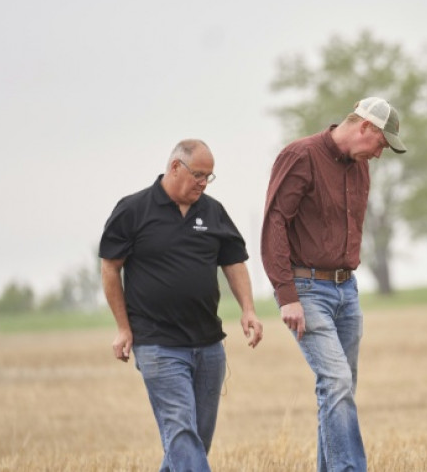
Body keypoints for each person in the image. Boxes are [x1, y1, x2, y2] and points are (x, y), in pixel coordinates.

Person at [99, 139, 264, 472]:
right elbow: (110, 267)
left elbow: (233, 262)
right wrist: (122, 327)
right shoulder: (133, 210)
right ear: (175, 167)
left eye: (209, 177)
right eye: (199, 175)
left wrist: (248, 309)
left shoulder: (213, 211)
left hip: (208, 344)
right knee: (181, 431)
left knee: (195, 440)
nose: (203, 183)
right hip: (158, 344)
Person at [261, 97, 406, 472]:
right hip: (306, 290)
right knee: (337, 381)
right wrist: (286, 295)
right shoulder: (300, 156)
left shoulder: (360, 168)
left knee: (340, 390)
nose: (380, 154)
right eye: (381, 144)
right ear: (365, 128)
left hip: (347, 291)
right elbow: (275, 223)